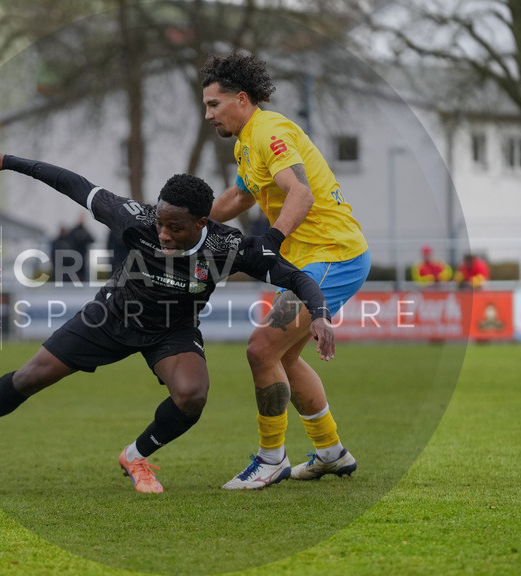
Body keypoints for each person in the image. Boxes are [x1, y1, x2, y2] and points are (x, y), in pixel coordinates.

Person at [0, 148, 337, 494]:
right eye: (160, 223)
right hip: (113, 314)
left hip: (173, 329)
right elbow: (74, 184)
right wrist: (10, 161)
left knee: (192, 396)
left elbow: (294, 276)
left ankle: (136, 456)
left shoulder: (231, 246)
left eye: (174, 227)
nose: (163, 233)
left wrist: (318, 315)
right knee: (29, 377)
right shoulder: (135, 218)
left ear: (202, 223)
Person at [201, 52, 371, 489]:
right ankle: (331, 451)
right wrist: (183, 224)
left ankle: (270, 459)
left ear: (241, 99)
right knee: (283, 356)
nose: (208, 115)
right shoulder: (247, 142)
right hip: (312, 258)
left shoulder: (270, 132)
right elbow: (237, 200)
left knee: (261, 349)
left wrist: (271, 240)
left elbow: (300, 192)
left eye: (214, 104)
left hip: (333, 255)